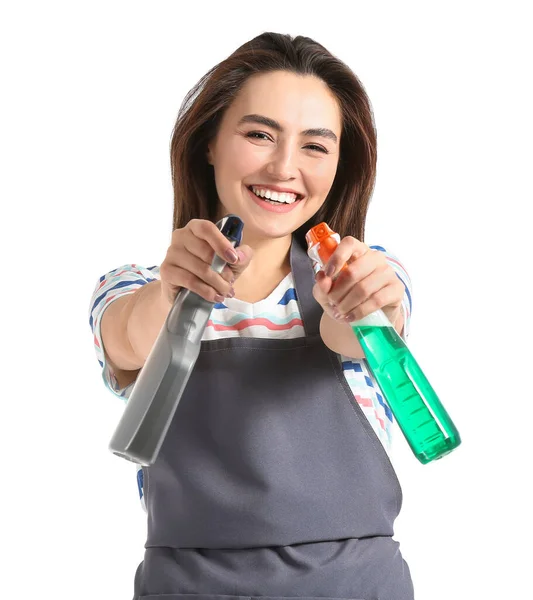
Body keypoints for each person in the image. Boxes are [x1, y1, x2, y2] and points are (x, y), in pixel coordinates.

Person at [88, 31, 415, 599]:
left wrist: (368, 304)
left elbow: (357, 332)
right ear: (209, 143)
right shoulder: (136, 287)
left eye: (315, 146)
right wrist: (173, 295)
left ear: (340, 165)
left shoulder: (366, 273)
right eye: (259, 134)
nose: (285, 167)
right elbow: (128, 341)